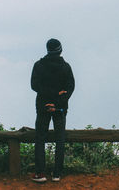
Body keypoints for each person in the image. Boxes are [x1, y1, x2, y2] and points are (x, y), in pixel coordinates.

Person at [30, 38, 75, 183]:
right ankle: (57, 174)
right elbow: (70, 88)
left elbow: (34, 85)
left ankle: (40, 174)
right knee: (60, 139)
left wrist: (48, 99)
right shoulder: (66, 67)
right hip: (60, 108)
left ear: (47, 50)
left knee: (40, 138)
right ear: (61, 50)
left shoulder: (38, 65)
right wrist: (57, 99)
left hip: (43, 106)